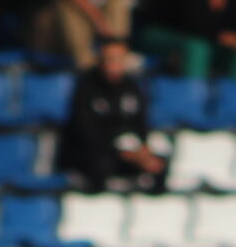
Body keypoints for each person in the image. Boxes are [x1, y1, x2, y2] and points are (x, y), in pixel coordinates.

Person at [56, 36, 167, 192]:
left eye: (119, 57)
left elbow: (140, 122)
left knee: (159, 161)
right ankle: (95, 204)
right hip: (93, 152)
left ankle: (153, 207)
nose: (115, 62)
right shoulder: (86, 86)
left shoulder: (132, 87)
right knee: (100, 162)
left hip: (127, 150)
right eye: (110, 57)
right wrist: (122, 151)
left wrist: (142, 149)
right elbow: (85, 129)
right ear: (100, 58)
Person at [32, 0, 135, 69]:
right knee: (66, 6)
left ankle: (117, 54)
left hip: (96, 25)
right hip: (49, 33)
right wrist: (101, 23)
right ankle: (85, 61)